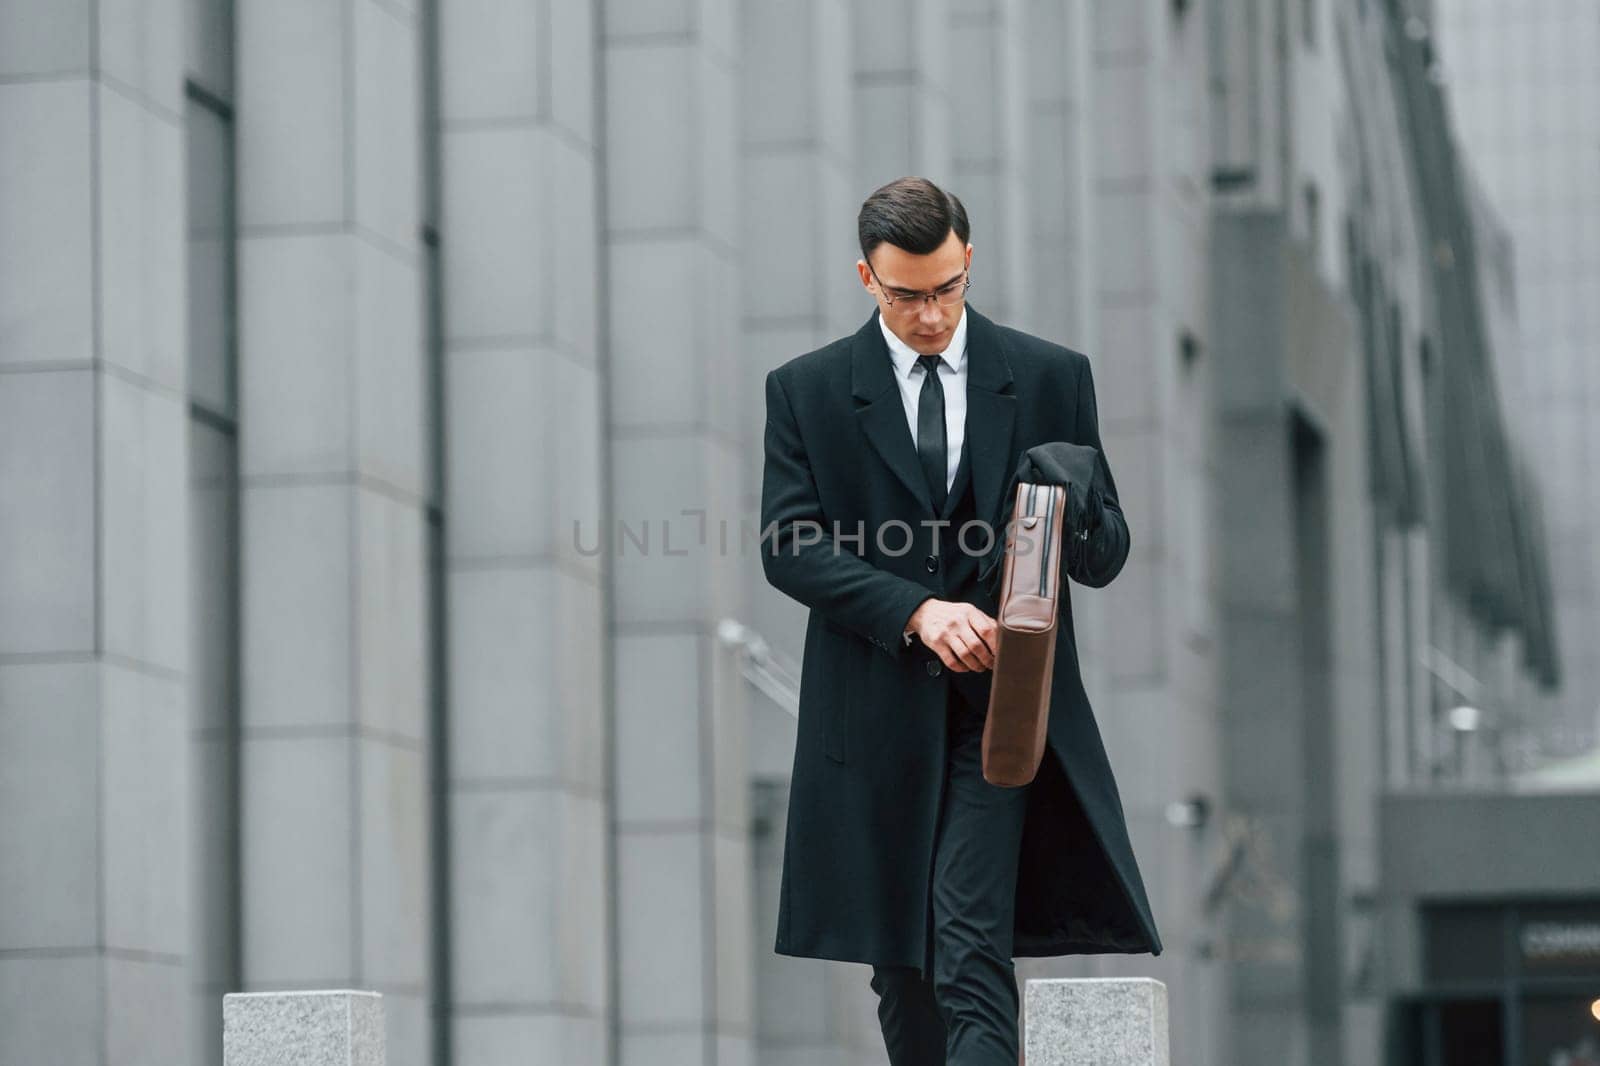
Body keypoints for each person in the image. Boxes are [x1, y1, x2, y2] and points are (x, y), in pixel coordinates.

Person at [758, 176, 1163, 1064]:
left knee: (968, 941)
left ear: (969, 263)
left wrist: (1073, 492)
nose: (932, 315)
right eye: (907, 295)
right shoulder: (807, 391)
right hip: (871, 718)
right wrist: (916, 610)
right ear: (866, 279)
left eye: (947, 288)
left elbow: (1105, 557)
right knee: (902, 971)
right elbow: (787, 545)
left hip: (1002, 716)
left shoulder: (1053, 376)